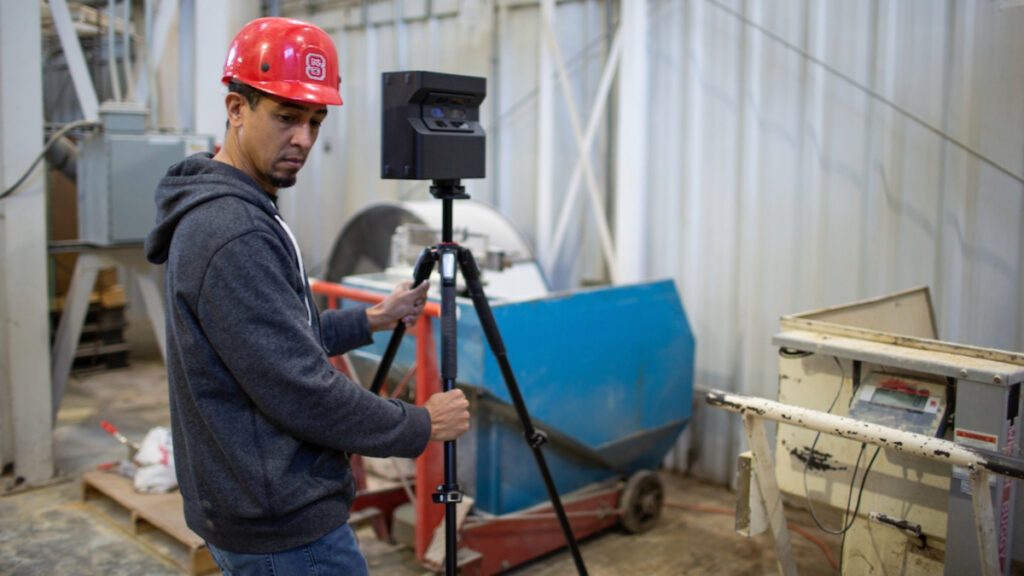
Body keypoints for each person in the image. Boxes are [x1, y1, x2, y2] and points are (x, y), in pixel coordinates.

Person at [144, 17, 470, 575]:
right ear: (236, 108)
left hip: (250, 506)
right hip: (281, 527)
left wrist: (369, 319)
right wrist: (420, 425)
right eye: (287, 117)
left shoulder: (232, 209)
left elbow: (271, 340)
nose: (303, 139)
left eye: (315, 121)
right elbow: (300, 389)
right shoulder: (235, 231)